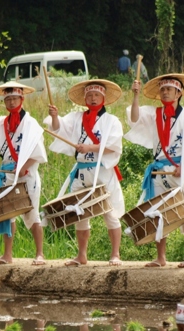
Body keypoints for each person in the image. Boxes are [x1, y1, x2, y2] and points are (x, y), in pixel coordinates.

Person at [127, 73, 184, 268]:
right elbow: (134, 119)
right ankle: (161, 257)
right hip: (160, 170)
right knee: (159, 212)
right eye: (162, 89)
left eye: (169, 89)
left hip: (181, 169)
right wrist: (135, 96)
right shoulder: (155, 113)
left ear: (178, 93)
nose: (165, 92)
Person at [45, 79, 125, 265]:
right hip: (81, 172)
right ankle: (81, 255)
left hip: (102, 170)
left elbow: (113, 147)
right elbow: (58, 128)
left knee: (109, 213)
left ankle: (115, 254)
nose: (93, 98)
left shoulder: (111, 121)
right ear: (84, 98)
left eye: (97, 95)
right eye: (89, 95)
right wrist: (55, 116)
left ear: (103, 97)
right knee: (79, 212)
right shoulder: (75, 117)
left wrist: (89, 147)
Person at [0, 81, 48, 264]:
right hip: (7, 173)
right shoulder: (0, 123)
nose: (11, 103)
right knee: (7, 214)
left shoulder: (31, 124)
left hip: (27, 175)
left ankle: (40, 254)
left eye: (14, 99)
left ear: (22, 99)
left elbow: (38, 153)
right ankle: (8, 255)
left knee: (31, 214)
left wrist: (22, 167)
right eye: (8, 99)